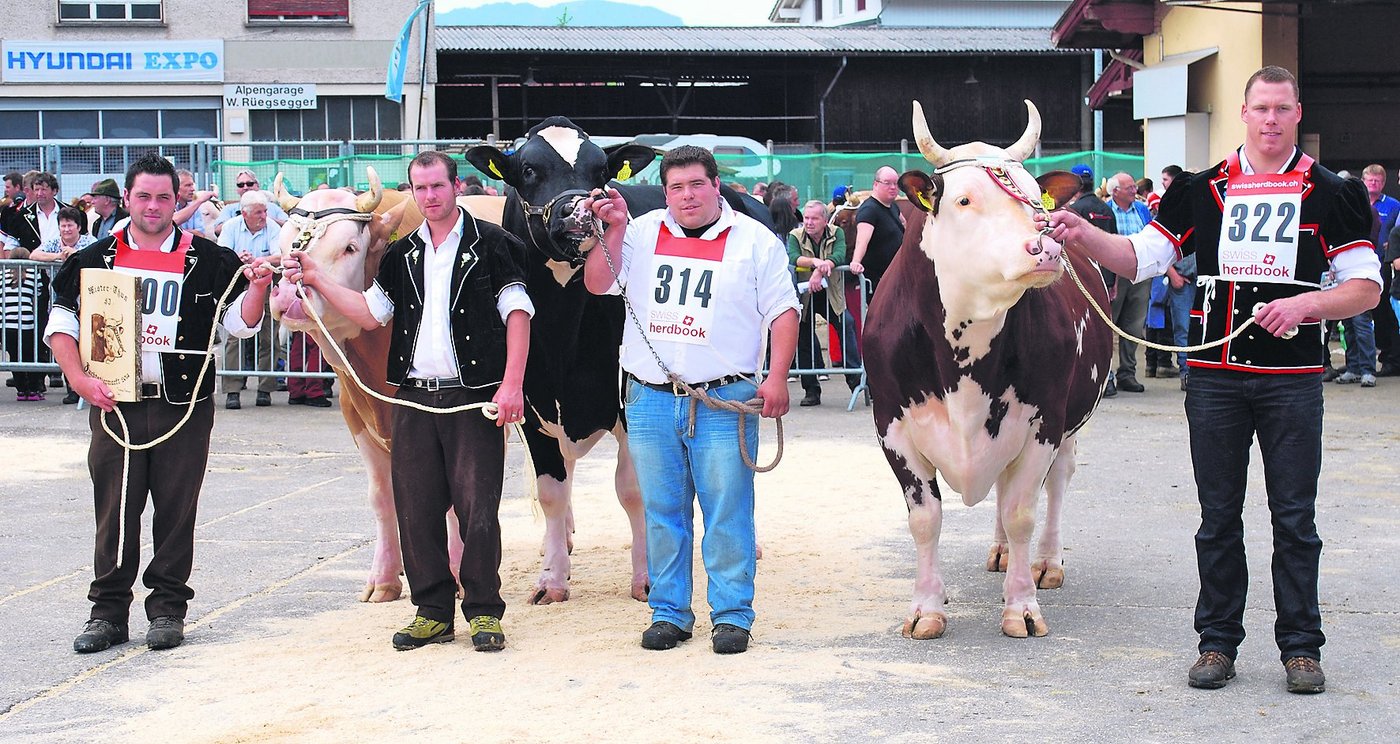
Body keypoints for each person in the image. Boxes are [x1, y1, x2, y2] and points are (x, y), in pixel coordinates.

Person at [1041, 66, 1381, 695]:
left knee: (1295, 518)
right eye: (1261, 109)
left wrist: (1307, 306)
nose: (1272, 120)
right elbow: (1143, 258)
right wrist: (1086, 234)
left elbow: (1365, 288)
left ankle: (1301, 648)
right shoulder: (1201, 188)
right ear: (1243, 113)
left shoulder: (1332, 192)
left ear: (1298, 113)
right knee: (1218, 517)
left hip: (1293, 379)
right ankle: (1217, 641)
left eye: (1283, 109)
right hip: (1216, 381)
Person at [282, 150, 532, 653]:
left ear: (456, 188)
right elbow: (371, 314)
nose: (430, 196)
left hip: (471, 395)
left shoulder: (494, 244)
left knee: (477, 508)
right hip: (414, 396)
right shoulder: (401, 255)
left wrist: (511, 384)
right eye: (421, 189)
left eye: (438, 186)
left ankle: (483, 611)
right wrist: (317, 278)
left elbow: (517, 312)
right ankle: (432, 611)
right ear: (414, 193)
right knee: (416, 509)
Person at [45, 153, 274, 654]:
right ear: (127, 199)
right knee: (115, 509)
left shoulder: (212, 259)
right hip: (115, 403)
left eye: (163, 197)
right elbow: (62, 325)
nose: (153, 206)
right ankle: (107, 613)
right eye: (143, 196)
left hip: (184, 404)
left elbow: (239, 324)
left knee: (176, 510)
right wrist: (80, 380)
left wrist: (257, 288)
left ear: (179, 201)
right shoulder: (92, 259)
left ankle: (168, 609)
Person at [583, 145, 799, 655]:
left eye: (696, 185)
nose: (687, 196)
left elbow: (784, 311)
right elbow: (597, 284)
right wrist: (611, 228)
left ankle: (731, 615)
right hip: (651, 398)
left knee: (728, 510)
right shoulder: (639, 231)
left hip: (725, 396)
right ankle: (670, 613)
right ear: (665, 193)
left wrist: (779, 378)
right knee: (662, 510)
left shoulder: (754, 240)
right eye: (676, 188)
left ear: (716, 185)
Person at [218, 191, 284, 408]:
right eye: (258, 212)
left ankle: (265, 388)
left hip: (265, 281)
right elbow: (223, 254)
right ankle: (232, 390)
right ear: (244, 213)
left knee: (269, 337)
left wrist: (258, 260)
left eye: (265, 211)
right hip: (236, 283)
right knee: (233, 337)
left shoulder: (273, 228)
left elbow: (280, 255)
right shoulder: (230, 226)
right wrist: (239, 259)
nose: (264, 216)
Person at [788, 198, 855, 406]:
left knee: (846, 326)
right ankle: (811, 390)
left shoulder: (837, 233)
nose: (808, 222)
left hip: (831, 294)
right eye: (806, 218)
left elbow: (840, 255)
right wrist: (815, 263)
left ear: (825, 221)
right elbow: (793, 257)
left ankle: (857, 381)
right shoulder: (795, 235)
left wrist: (820, 270)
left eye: (814, 218)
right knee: (804, 339)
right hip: (804, 295)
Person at [1104, 171, 1157, 394]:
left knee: (1134, 326)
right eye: (1129, 188)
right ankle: (1106, 375)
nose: (1135, 191)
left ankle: (1128, 373)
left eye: (1134, 187)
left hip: (1140, 274)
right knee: (1108, 325)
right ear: (1115, 191)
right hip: (1115, 274)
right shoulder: (1106, 210)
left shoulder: (1142, 210)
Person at [1362, 164, 1400, 378]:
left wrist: (1392, 246)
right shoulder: (1356, 202)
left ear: (1384, 183)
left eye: (1377, 181)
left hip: (1383, 265)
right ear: (1364, 180)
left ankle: (1389, 357)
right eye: (1370, 180)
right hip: (1361, 265)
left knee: (1384, 310)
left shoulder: (1394, 206)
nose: (1373, 184)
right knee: (1361, 313)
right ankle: (1358, 361)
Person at [848, 166, 906, 298]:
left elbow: (904, 225)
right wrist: (856, 261)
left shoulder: (893, 207)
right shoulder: (869, 210)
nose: (893, 187)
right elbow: (862, 240)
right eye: (887, 183)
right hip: (877, 283)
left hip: (895, 277)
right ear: (875, 184)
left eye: (896, 183)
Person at [213, 170, 288, 235]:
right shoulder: (229, 209)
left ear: (257, 185)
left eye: (249, 184)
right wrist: (245, 219)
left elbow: (288, 226)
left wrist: (266, 219)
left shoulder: (273, 207)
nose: (245, 187)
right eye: (241, 185)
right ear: (237, 189)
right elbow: (217, 230)